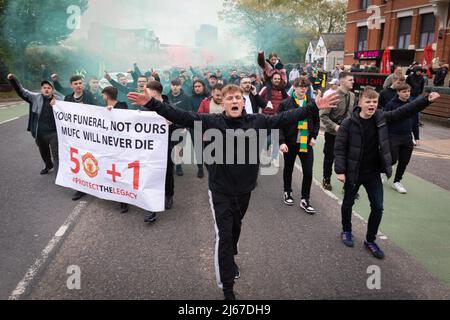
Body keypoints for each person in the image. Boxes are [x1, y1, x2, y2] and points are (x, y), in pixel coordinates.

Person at [127, 84, 338, 300]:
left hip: (245, 189)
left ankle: (231, 255)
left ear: (243, 101)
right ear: (223, 103)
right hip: (220, 190)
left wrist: (313, 106)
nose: (235, 101)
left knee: (236, 228)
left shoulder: (258, 121)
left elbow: (285, 117)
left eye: (238, 97)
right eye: (230, 98)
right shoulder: (212, 122)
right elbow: (181, 115)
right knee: (225, 236)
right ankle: (227, 289)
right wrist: (152, 104)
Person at [334, 87, 440, 259]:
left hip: (374, 172)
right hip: (354, 172)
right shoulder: (348, 123)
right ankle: (346, 231)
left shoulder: (382, 117)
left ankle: (370, 240)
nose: (371, 105)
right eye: (368, 101)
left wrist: (425, 100)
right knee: (348, 204)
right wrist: (340, 170)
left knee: (378, 207)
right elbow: (339, 147)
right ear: (360, 102)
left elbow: (404, 111)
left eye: (374, 102)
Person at [51, 74, 97, 201]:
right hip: (75, 136)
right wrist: (55, 105)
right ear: (71, 86)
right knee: (78, 159)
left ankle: (95, 183)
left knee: (91, 158)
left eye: (80, 83)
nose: (78, 86)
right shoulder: (68, 98)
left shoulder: (88, 95)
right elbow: (64, 113)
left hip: (89, 134)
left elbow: (98, 110)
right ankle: (80, 188)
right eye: (75, 84)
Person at [278, 77, 320, 214]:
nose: (303, 89)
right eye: (301, 86)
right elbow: (279, 124)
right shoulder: (285, 103)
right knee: (288, 168)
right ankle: (287, 192)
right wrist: (282, 141)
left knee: (308, 171)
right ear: (294, 87)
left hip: (305, 141)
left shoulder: (312, 102)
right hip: (290, 142)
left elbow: (316, 121)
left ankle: (305, 199)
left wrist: (313, 136)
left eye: (306, 87)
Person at [8, 74, 59, 175]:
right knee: (44, 153)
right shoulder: (35, 97)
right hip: (39, 133)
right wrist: (13, 80)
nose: (46, 89)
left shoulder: (58, 99)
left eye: (49, 88)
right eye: (44, 88)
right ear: (41, 89)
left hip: (54, 133)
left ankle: (59, 175)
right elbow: (22, 91)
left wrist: (57, 103)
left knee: (56, 154)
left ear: (52, 90)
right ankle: (48, 165)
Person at [320, 71, 355, 191]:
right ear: (342, 81)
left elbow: (351, 114)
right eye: (350, 80)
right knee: (329, 158)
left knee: (347, 159)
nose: (353, 82)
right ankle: (326, 179)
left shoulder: (352, 96)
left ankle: (347, 185)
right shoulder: (332, 97)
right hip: (332, 134)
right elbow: (323, 116)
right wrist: (335, 126)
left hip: (347, 134)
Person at [384, 83, 419, 194]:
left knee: (404, 160)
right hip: (393, 135)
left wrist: (416, 137)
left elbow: (415, 122)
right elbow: (385, 120)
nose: (407, 94)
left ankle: (397, 181)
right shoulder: (391, 104)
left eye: (408, 91)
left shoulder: (413, 105)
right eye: (404, 91)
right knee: (392, 159)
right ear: (398, 92)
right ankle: (382, 171)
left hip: (407, 136)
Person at [102, 86, 130, 213]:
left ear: (107, 95)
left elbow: (125, 118)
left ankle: (124, 200)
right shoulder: (102, 108)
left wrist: (112, 111)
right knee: (110, 170)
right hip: (108, 145)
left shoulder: (122, 105)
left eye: (104, 95)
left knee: (121, 172)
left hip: (121, 146)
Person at [259, 72, 289, 167]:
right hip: (266, 117)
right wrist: (266, 104)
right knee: (265, 139)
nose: (277, 80)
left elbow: (288, 99)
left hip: (278, 118)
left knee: (275, 138)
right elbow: (258, 99)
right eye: (275, 78)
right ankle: (263, 152)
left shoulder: (282, 90)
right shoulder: (265, 89)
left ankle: (274, 159)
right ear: (271, 79)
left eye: (278, 79)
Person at [167, 78, 192, 177]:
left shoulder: (186, 98)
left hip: (181, 127)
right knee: (169, 147)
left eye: (177, 85)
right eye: (173, 85)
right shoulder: (166, 96)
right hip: (168, 127)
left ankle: (178, 166)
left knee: (179, 148)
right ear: (170, 86)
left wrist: (187, 126)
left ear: (180, 86)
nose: (175, 87)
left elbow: (189, 113)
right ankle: (170, 165)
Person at [190, 79, 210, 178]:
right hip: (195, 126)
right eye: (195, 87)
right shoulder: (191, 98)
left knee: (209, 146)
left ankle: (210, 166)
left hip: (208, 125)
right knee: (198, 148)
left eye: (199, 86)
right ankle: (200, 168)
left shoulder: (209, 97)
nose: (197, 88)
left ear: (203, 87)